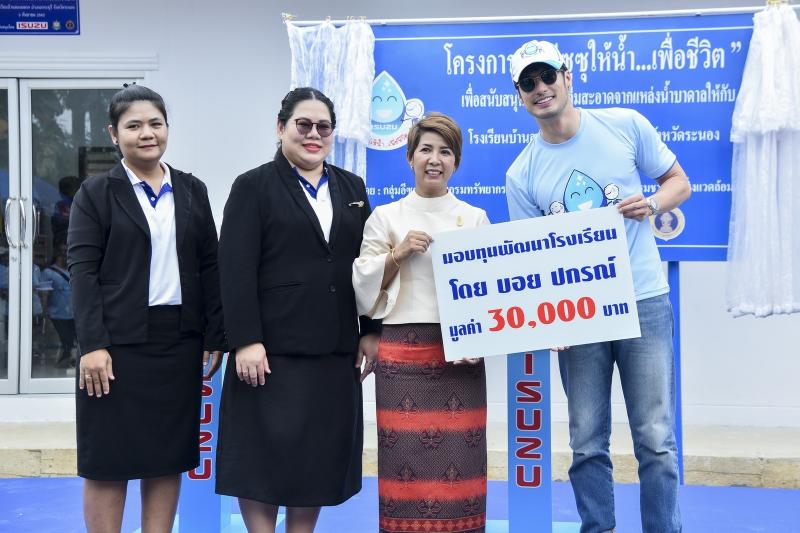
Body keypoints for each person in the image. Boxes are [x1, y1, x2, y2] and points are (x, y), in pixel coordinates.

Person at [505, 40, 691, 533]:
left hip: (644, 301)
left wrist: (652, 204)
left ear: (568, 77)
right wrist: (546, 318)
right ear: (519, 95)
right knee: (587, 441)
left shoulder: (624, 125)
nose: (541, 88)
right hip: (579, 316)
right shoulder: (521, 173)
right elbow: (531, 259)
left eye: (547, 76)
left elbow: (679, 182)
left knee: (656, 438)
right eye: (528, 83)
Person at [215, 87, 380, 533]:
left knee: (316, 458)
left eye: (323, 127)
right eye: (303, 125)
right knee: (261, 459)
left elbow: (368, 263)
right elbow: (235, 268)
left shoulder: (352, 187)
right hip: (270, 352)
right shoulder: (253, 186)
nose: (313, 134)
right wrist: (246, 340)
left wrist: (369, 329)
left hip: (333, 350)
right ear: (280, 127)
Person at [67, 84, 225, 533]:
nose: (147, 133)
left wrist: (215, 333)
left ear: (167, 129)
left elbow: (210, 264)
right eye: (134, 125)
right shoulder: (95, 193)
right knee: (107, 459)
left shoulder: (191, 189)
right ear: (113, 134)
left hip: (177, 344)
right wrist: (92, 345)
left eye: (155, 123)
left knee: (166, 456)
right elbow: (82, 272)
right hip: (114, 347)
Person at [353, 112, 490, 533]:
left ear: (456, 162)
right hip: (402, 356)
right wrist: (397, 254)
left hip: (460, 358)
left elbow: (489, 293)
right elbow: (362, 287)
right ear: (410, 157)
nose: (435, 159)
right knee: (403, 468)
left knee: (463, 467)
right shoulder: (386, 217)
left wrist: (478, 339)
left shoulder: (475, 217)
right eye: (426, 150)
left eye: (445, 152)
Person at [40, 241, 76, 368]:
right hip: (56, 314)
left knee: (70, 340)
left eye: (67, 251)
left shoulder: (72, 271)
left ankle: (66, 361)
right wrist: (44, 312)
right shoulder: (48, 272)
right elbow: (44, 294)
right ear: (57, 253)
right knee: (64, 339)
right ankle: (62, 362)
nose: (65, 254)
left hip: (72, 314)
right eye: (62, 251)